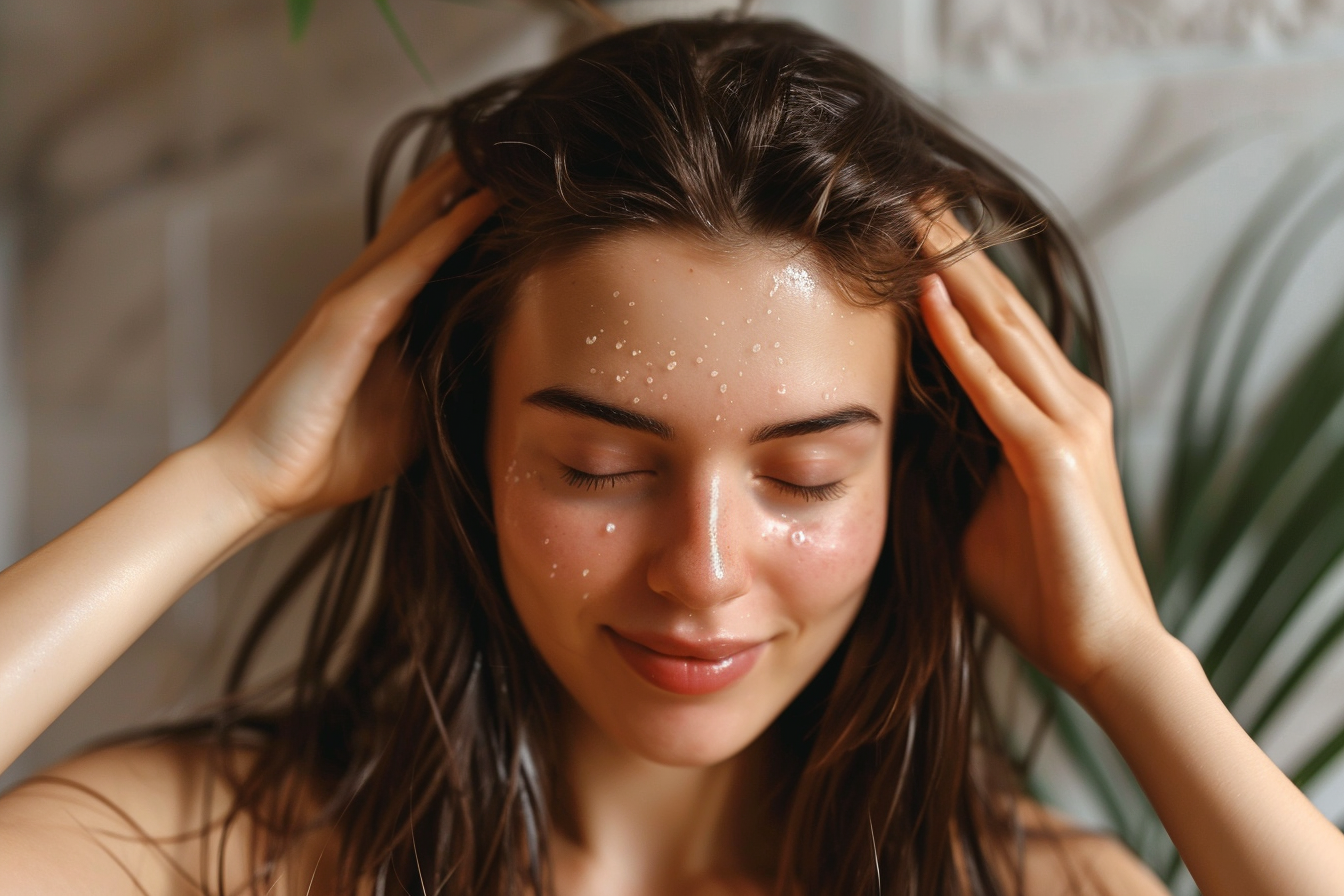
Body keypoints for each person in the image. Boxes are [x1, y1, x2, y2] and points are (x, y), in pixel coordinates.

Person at [0, 16, 1340, 896]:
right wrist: (228, 478)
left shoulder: (1030, 887)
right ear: (469, 442)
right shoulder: (221, 854)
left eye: (805, 480)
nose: (700, 575)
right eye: (597, 468)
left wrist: (1129, 664)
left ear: (918, 471)